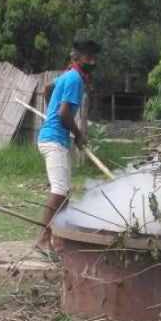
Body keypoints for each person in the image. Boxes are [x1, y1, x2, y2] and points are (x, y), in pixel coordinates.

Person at [34, 39, 102, 256]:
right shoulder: (74, 79)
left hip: (56, 138)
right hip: (53, 140)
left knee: (65, 191)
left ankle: (60, 238)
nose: (93, 61)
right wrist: (79, 134)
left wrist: (50, 111)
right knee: (59, 190)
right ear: (77, 57)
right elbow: (64, 114)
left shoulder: (69, 74)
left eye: (94, 57)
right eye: (88, 57)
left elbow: (47, 88)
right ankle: (43, 239)